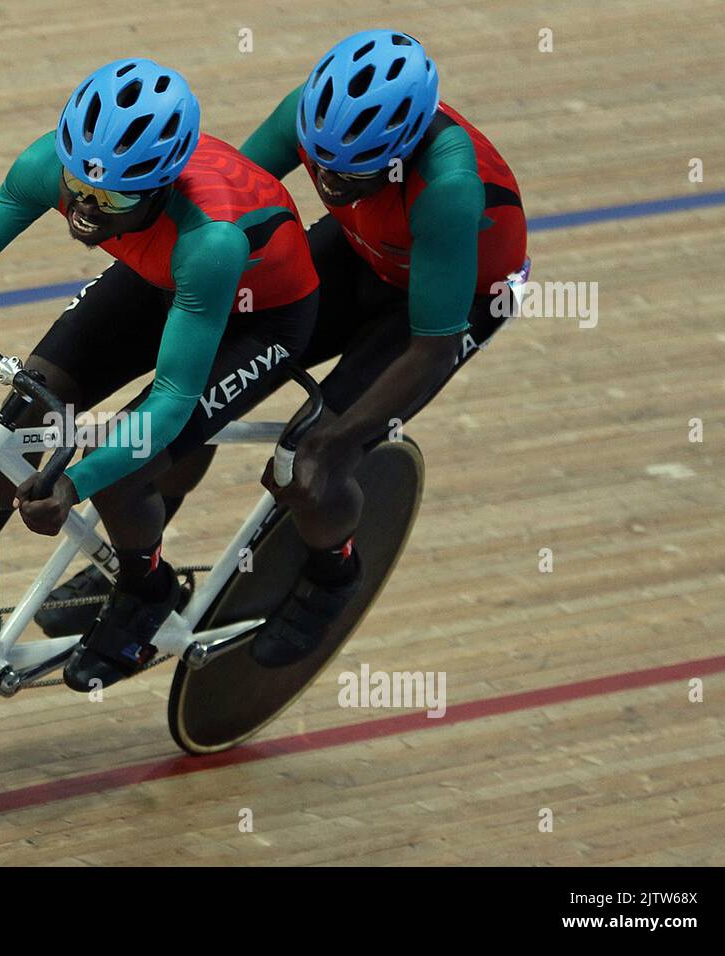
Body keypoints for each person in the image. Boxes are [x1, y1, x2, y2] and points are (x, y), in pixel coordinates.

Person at [35, 31, 528, 669]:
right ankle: (137, 550)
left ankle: (333, 576)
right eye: (319, 163)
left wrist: (338, 440)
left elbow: (432, 348)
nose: (329, 181)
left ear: (403, 151)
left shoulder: (449, 187)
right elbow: (227, 199)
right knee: (194, 393)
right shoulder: (310, 114)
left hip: (448, 306)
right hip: (359, 255)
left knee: (310, 460)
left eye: (351, 173)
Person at [0, 58, 320, 690]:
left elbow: (173, 396)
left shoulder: (210, 239)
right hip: (161, 275)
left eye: (111, 199)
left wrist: (76, 483)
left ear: (161, 187)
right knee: (28, 407)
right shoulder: (53, 166)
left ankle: (147, 590)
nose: (85, 209)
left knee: (125, 462)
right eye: (79, 186)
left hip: (259, 317)